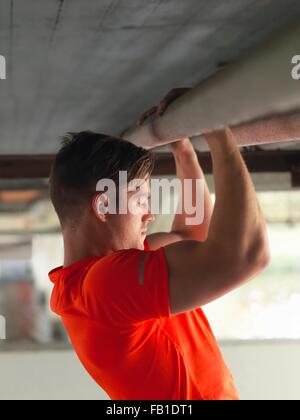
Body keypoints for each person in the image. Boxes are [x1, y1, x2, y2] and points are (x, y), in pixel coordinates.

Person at [48, 89, 270, 400]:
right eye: (140, 201)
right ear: (103, 206)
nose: (150, 215)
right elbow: (245, 256)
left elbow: (192, 235)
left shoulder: (95, 280)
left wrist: (184, 151)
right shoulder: (105, 285)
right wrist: (218, 131)